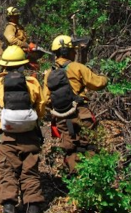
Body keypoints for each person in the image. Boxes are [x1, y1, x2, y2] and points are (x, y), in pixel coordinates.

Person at [0, 45, 45, 213]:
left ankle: (9, 206)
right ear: (22, 65)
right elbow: (41, 109)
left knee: (7, 171)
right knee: (30, 171)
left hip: (6, 136)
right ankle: (32, 206)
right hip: (30, 135)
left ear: (4, 65)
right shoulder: (32, 83)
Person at [43, 35, 108, 174]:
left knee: (71, 149)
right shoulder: (77, 67)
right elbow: (98, 83)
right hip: (81, 113)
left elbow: (46, 99)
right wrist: (105, 78)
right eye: (73, 50)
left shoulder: (49, 73)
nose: (75, 53)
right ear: (67, 51)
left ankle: (76, 182)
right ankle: (91, 180)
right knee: (89, 146)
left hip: (62, 118)